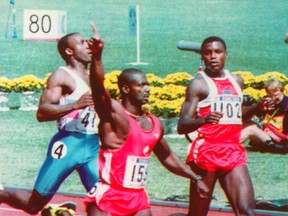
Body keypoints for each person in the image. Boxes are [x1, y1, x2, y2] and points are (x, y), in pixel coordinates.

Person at [84, 22, 209, 216]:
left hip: (137, 199)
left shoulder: (154, 123)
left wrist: (195, 178)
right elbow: (98, 88)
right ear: (126, 89)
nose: (148, 89)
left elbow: (167, 156)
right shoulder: (115, 116)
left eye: (148, 84)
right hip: (109, 198)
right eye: (141, 85)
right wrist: (97, 56)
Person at [0, 32, 100, 215]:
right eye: (82, 43)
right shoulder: (62, 76)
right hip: (68, 145)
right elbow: (42, 112)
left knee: (106, 201)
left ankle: (56, 212)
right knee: (33, 205)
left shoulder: (94, 75)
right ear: (69, 51)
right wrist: (76, 104)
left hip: (93, 145)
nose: (87, 46)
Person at [177, 36, 255, 216]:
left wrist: (258, 108)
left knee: (246, 211)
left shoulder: (237, 81)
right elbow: (182, 125)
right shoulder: (198, 83)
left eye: (218, 52)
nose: (213, 56)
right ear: (202, 57)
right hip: (207, 152)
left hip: (233, 151)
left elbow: (236, 117)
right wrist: (203, 120)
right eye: (207, 53)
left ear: (225, 55)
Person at [241, 78, 288, 153]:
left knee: (251, 129)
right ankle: (223, 142)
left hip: (279, 140)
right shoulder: (267, 102)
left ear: (281, 90)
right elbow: (244, 117)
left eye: (276, 95)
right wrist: (258, 107)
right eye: (270, 95)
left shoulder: (286, 105)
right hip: (266, 134)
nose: (273, 98)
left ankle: (229, 146)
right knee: (246, 123)